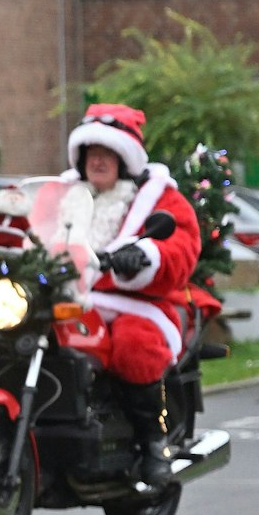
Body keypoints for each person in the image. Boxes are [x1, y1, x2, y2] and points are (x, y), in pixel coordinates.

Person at [54, 104, 202, 487]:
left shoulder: (159, 198)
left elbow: (182, 246)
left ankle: (153, 444)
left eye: (108, 154)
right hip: (69, 300)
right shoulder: (61, 195)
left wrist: (145, 256)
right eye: (91, 153)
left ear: (125, 159)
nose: (98, 161)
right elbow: (25, 228)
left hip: (139, 304)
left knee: (134, 345)